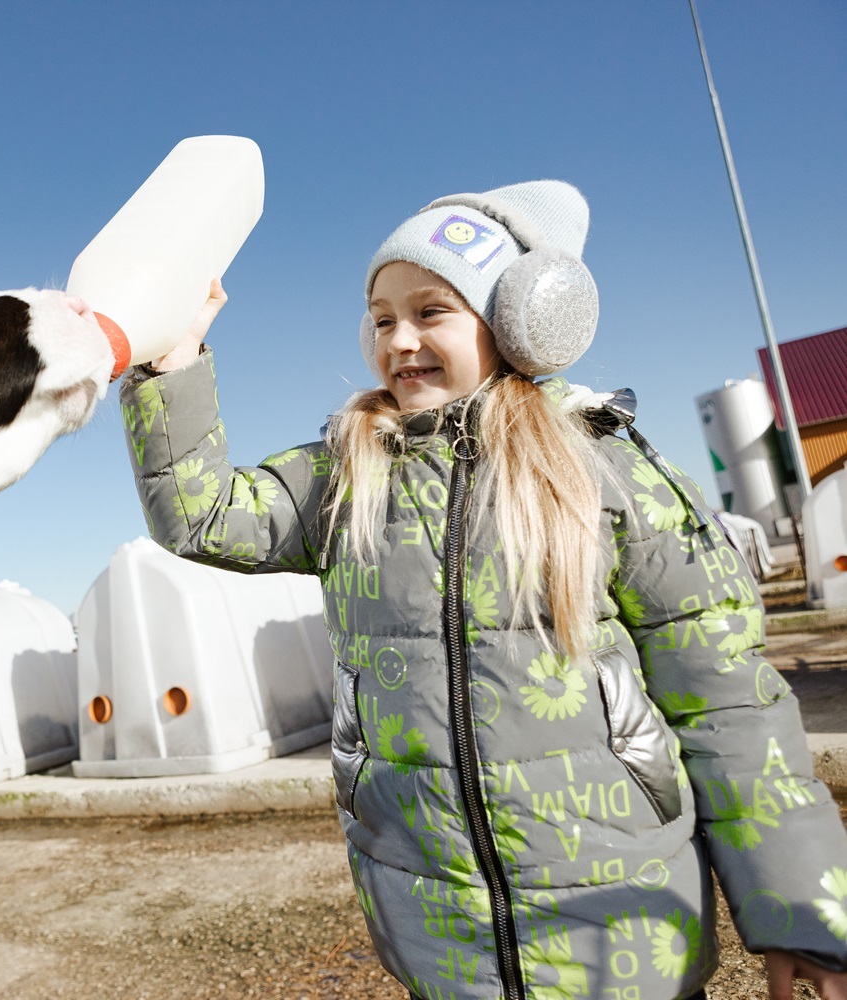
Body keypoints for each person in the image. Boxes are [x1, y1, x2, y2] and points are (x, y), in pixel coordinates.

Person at [120, 180, 847, 1000]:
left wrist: (802, 913)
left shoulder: (601, 468)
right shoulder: (345, 474)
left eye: (431, 312)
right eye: (381, 317)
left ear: (517, 320)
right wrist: (171, 364)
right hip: (439, 937)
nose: (400, 341)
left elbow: (728, 703)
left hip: (623, 938)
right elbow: (200, 514)